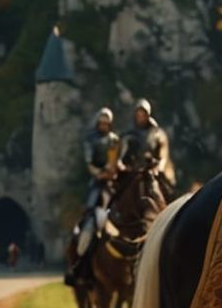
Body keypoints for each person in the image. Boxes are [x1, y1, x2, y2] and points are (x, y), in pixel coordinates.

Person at [65, 107, 121, 287]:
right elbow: (89, 163)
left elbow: (116, 159)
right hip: (97, 186)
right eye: (101, 122)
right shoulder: (91, 140)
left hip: (114, 184)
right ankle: (79, 263)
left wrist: (117, 169)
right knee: (90, 223)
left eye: (107, 122)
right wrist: (100, 174)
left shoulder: (114, 140)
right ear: (98, 123)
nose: (104, 125)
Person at [120, 98, 174, 210]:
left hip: (150, 172)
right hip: (131, 172)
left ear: (148, 115)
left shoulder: (157, 134)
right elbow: (120, 155)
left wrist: (158, 168)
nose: (140, 117)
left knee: (158, 193)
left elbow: (163, 156)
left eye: (143, 114)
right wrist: (122, 166)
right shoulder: (128, 134)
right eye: (138, 115)